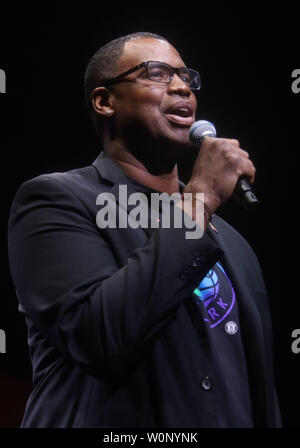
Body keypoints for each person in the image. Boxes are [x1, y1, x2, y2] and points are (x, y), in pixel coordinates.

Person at [7, 32, 281, 428]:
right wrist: (200, 198)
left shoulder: (232, 242)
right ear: (105, 101)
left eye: (186, 77)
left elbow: (257, 388)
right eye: (158, 74)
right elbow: (101, 336)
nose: (182, 86)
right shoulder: (56, 201)